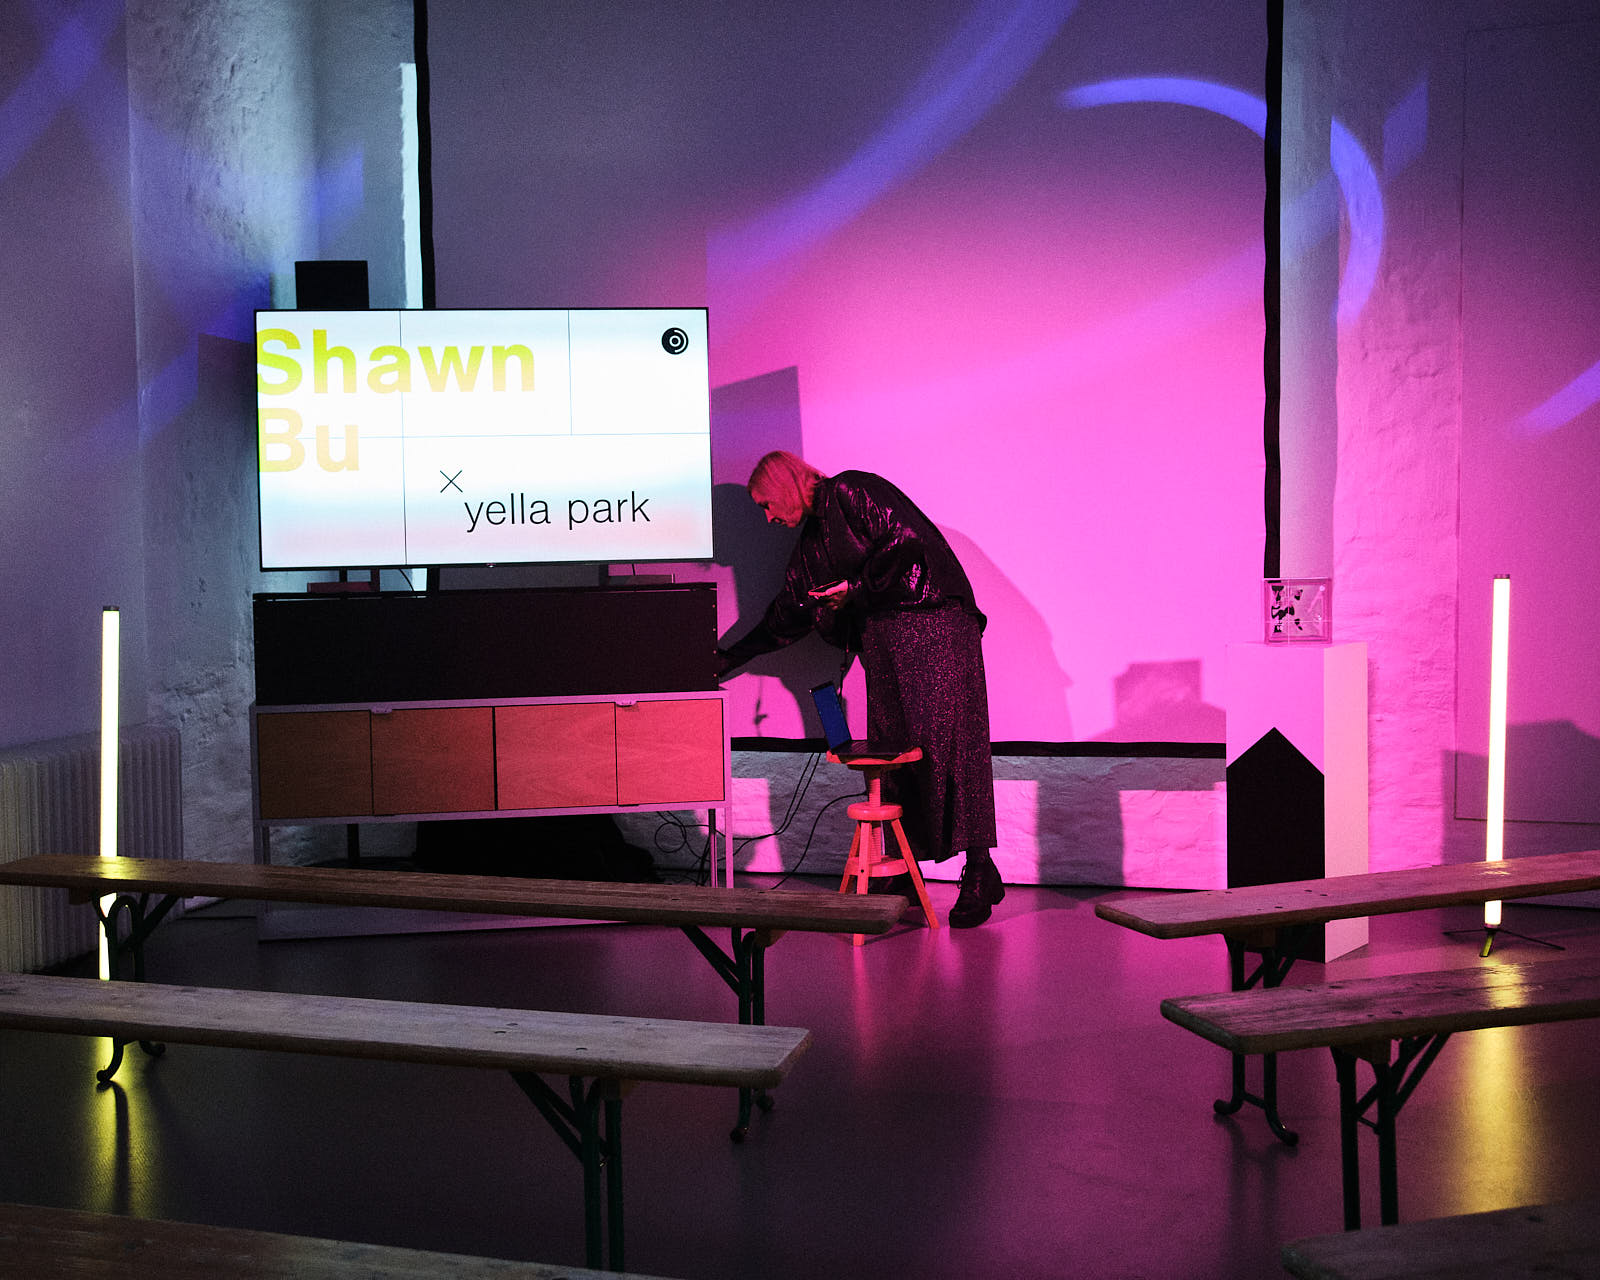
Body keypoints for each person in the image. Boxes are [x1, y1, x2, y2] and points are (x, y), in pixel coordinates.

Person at [714, 450, 1002, 927]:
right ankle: (903, 873)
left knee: (953, 745)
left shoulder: (850, 490)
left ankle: (979, 870)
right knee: (894, 753)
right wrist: (728, 657)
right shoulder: (811, 544)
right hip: (885, 639)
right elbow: (788, 613)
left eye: (766, 504)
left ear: (784, 485)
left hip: (932, 620)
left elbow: (905, 540)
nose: (767, 517)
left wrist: (854, 588)